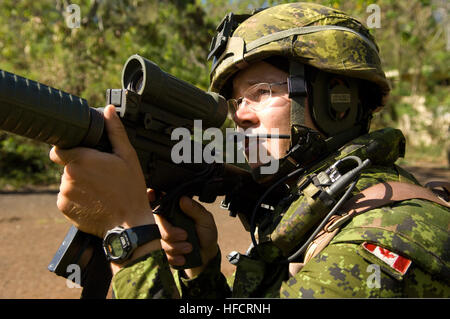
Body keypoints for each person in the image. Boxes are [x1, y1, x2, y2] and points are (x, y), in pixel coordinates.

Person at [49, 2, 450, 298]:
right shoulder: (323, 210)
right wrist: (201, 272)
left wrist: (129, 234)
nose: (240, 117)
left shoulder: (386, 238)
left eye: (260, 93)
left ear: (337, 102)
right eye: (237, 102)